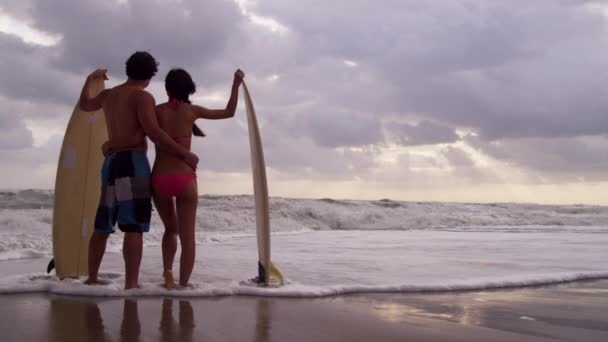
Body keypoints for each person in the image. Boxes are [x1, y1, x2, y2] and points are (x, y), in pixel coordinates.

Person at [78, 51, 199, 289]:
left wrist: (90, 79)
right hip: (132, 162)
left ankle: (92, 278)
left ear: (127, 69)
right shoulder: (142, 97)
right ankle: (131, 283)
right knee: (133, 226)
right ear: (150, 75)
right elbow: (153, 132)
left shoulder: (108, 95)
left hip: (111, 163)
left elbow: (84, 105)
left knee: (103, 223)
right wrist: (184, 153)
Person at [153, 68, 244, 288]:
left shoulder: (156, 111)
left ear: (167, 89)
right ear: (189, 88)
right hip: (184, 178)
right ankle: (183, 286)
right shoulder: (192, 111)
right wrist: (235, 84)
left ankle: (167, 273)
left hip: (159, 178)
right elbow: (229, 111)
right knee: (188, 238)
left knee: (170, 230)